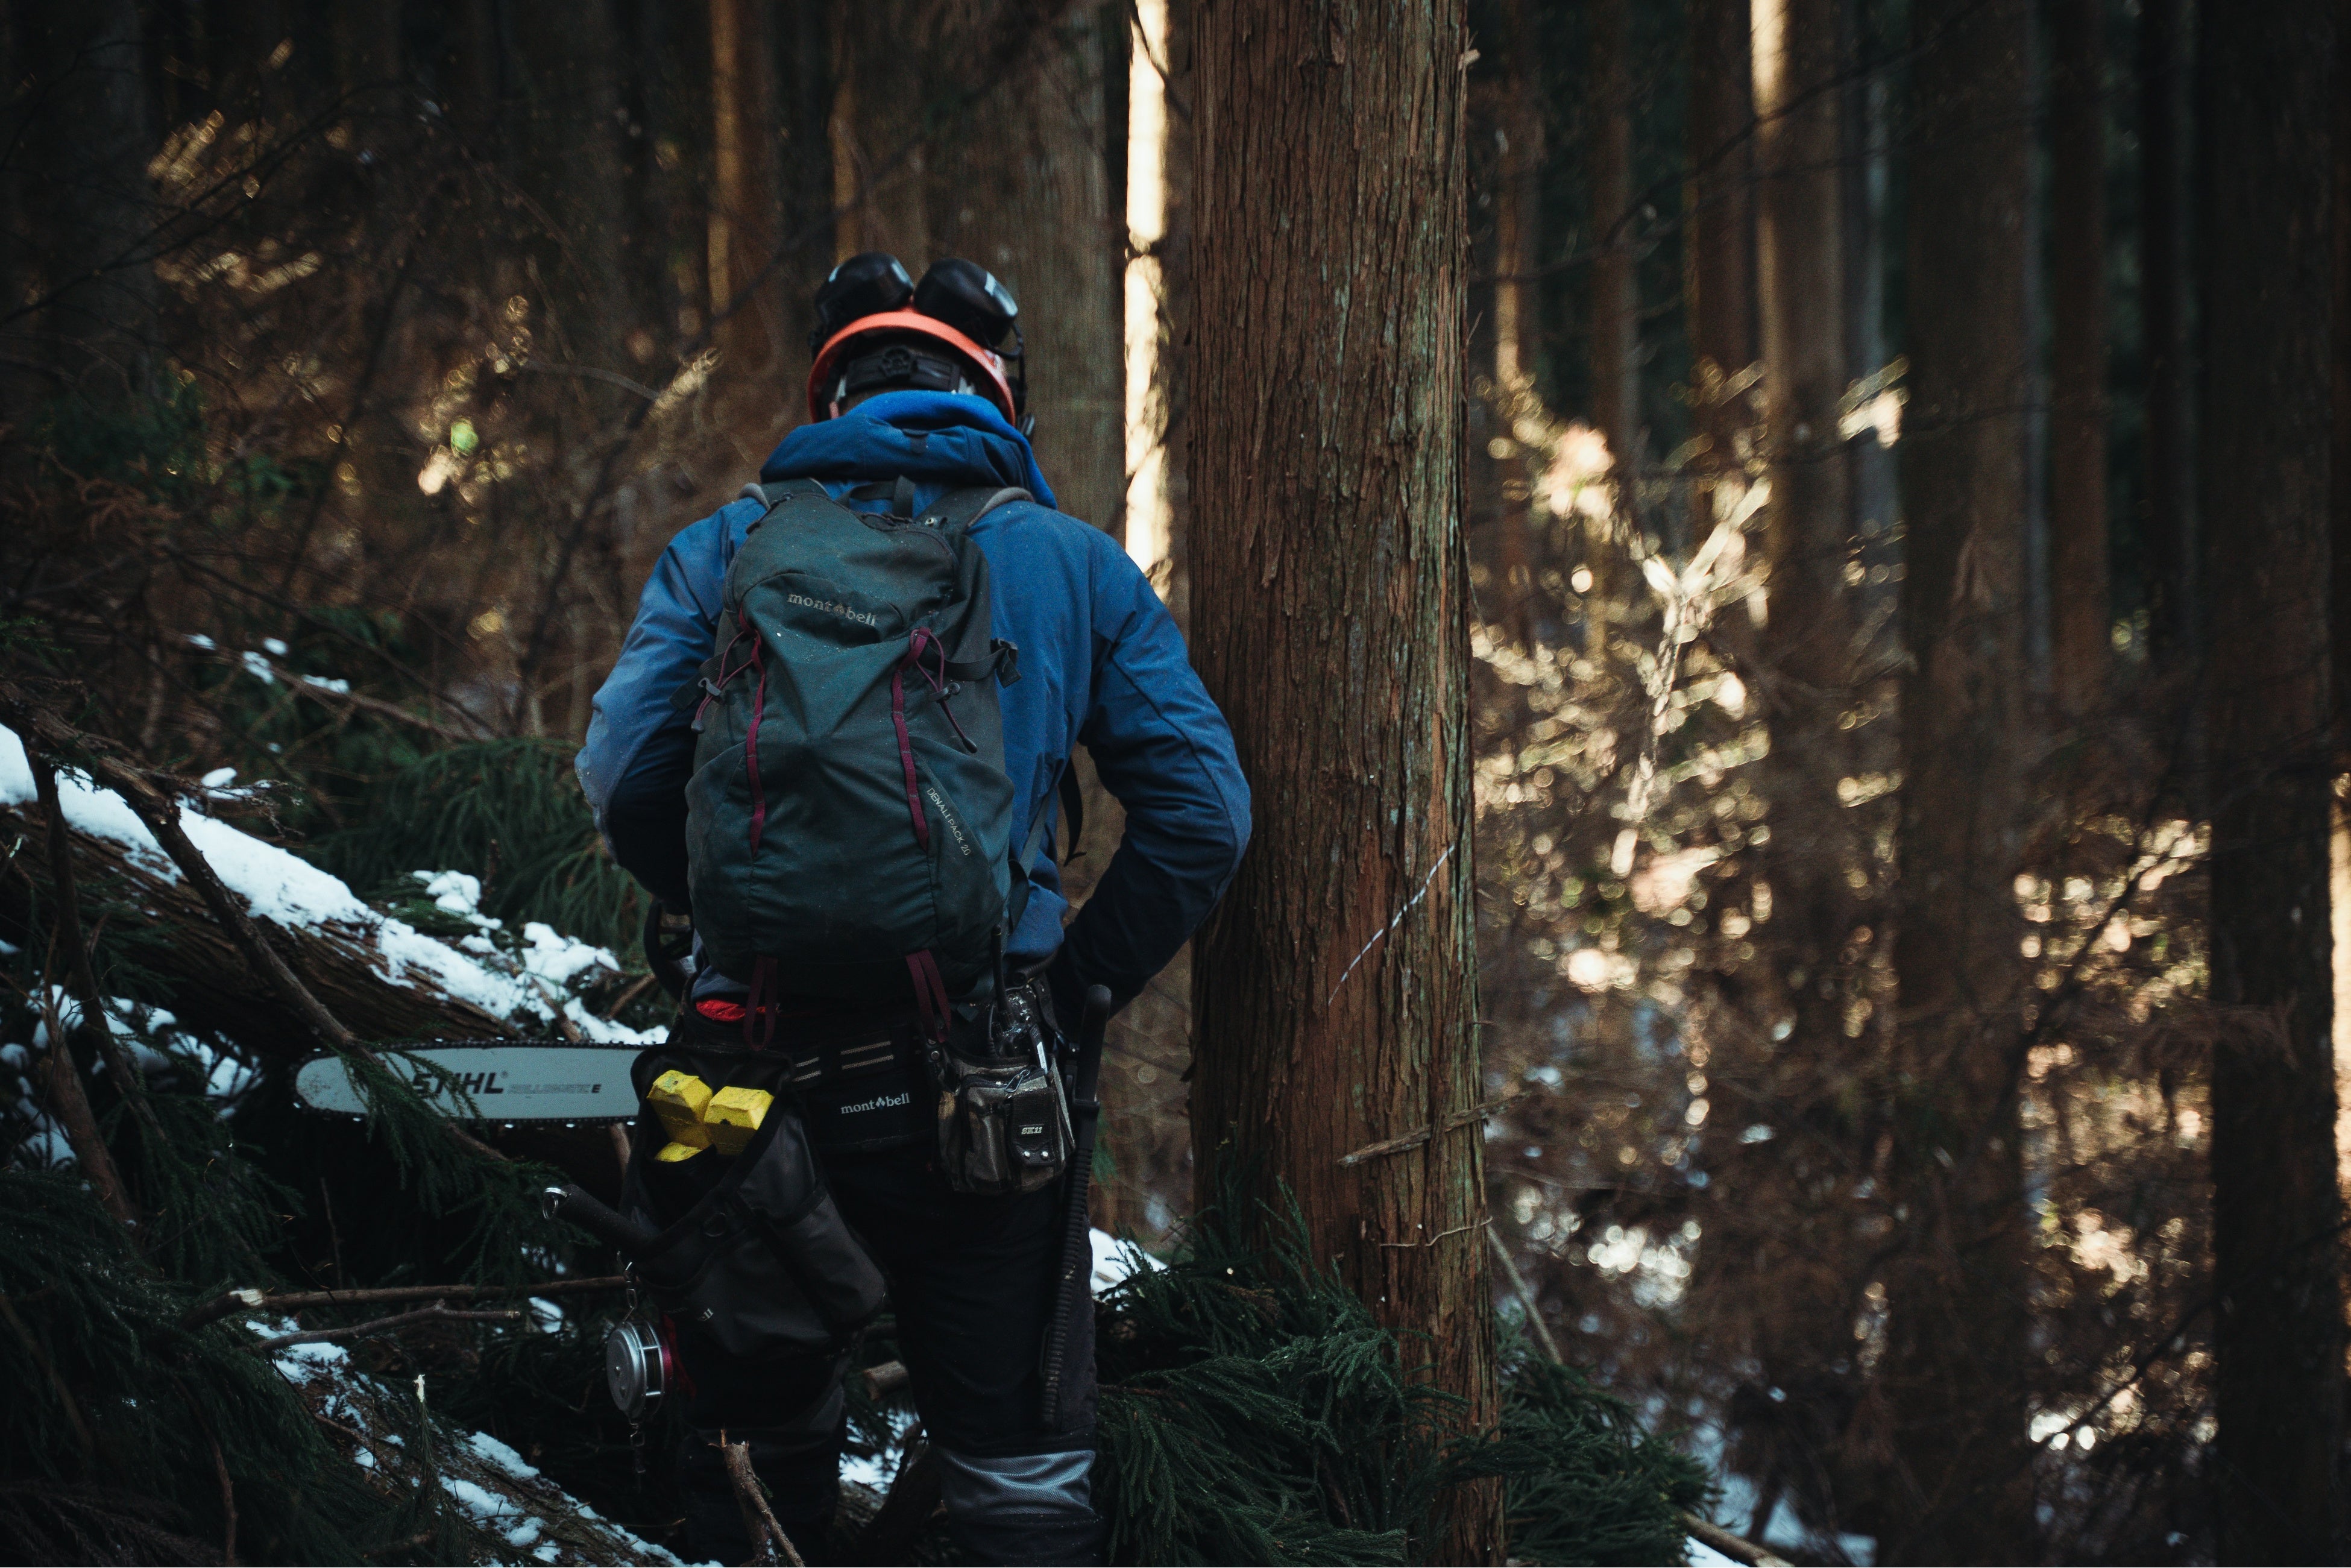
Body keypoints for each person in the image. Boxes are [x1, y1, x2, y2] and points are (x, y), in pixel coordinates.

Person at [576, 253, 1250, 1566]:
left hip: (746, 1078)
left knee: (749, 1463)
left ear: (834, 390)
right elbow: (1204, 815)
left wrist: (731, 917)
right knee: (1018, 1487)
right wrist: (1080, 984)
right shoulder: (1070, 561)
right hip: (983, 1085)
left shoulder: (726, 546)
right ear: (997, 392)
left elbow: (619, 774)